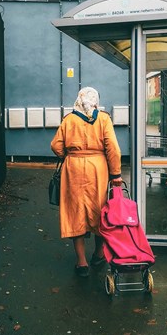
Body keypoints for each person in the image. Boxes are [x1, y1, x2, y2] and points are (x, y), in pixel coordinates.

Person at [51, 87, 122, 277]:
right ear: (96, 101)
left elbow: (56, 145)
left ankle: (81, 262)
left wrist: (69, 155)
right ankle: (99, 254)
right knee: (100, 210)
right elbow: (113, 148)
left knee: (76, 211)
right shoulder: (103, 119)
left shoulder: (69, 119)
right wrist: (115, 174)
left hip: (73, 168)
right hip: (97, 168)